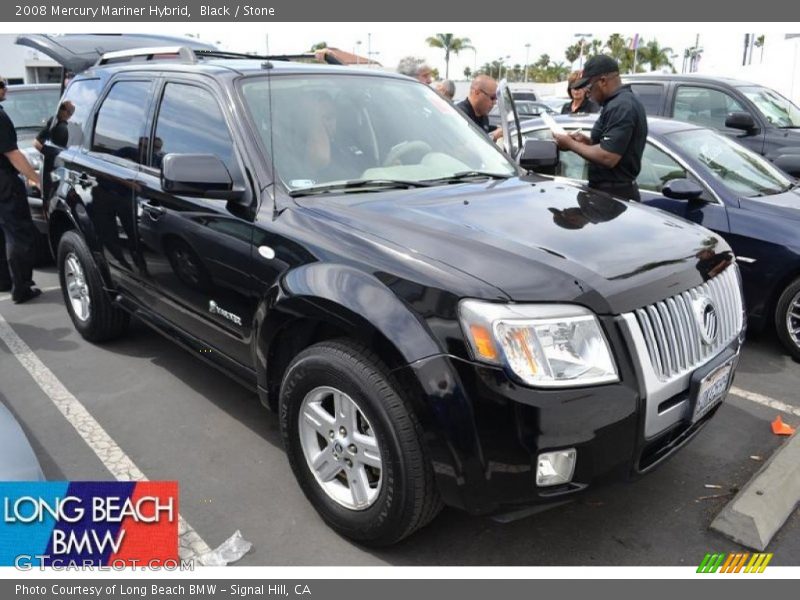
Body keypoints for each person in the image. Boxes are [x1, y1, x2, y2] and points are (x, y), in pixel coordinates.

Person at [552, 55, 647, 202]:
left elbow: (608, 157)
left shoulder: (621, 105)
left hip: (614, 196)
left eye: (589, 87)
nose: (588, 93)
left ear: (602, 81)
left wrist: (570, 144)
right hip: (607, 193)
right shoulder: (616, 103)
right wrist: (586, 142)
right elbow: (613, 147)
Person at [0, 75, 43, 303]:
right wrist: (35, 178)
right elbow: (13, 154)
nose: (5, 89)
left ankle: (5, 281)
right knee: (18, 234)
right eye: (1, 85)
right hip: (5, 182)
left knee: (3, 233)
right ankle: (22, 287)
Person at [34, 100, 75, 201]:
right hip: (54, 173)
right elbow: (36, 143)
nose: (59, 110)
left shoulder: (69, 128)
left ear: (69, 113)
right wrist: (54, 153)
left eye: (63, 108)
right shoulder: (54, 123)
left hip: (65, 173)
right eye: (60, 107)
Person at [456, 75, 503, 141]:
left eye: (496, 98)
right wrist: (493, 136)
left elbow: (482, 131)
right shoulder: (460, 114)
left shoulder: (483, 116)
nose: (494, 102)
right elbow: (468, 144)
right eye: (492, 98)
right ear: (477, 92)